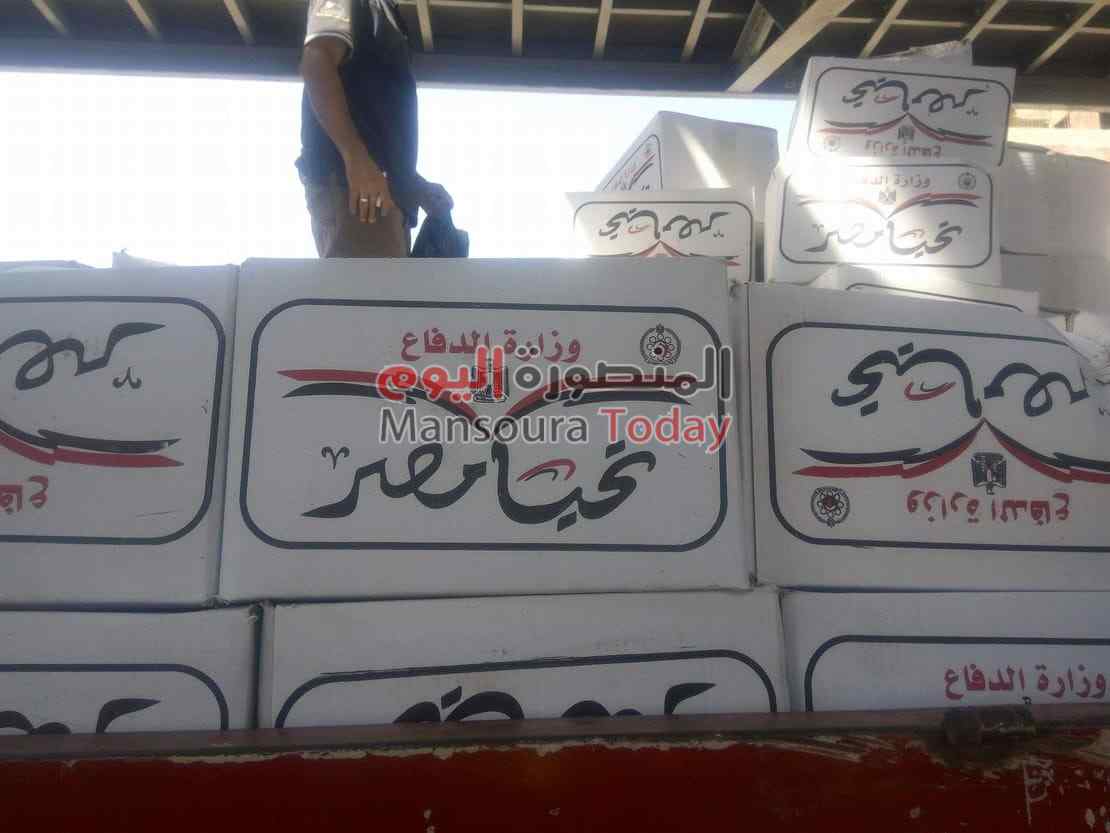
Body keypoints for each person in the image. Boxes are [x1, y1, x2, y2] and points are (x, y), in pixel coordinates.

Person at [297, 0, 453, 258]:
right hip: (359, 197)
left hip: (381, 199)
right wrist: (356, 160)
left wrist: (413, 184)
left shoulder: (386, 11)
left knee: (385, 284)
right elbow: (317, 59)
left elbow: (374, 117)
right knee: (370, 285)